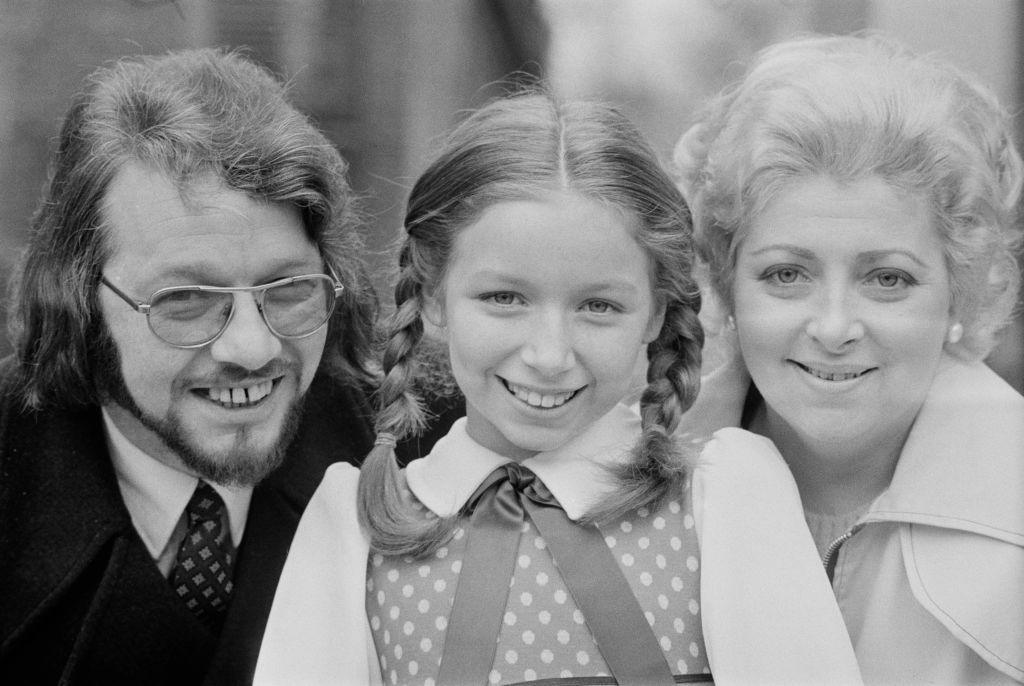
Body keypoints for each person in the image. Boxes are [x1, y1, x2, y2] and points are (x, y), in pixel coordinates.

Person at [254, 91, 862, 686]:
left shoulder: (722, 498)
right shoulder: (359, 525)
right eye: (504, 298)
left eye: (598, 306)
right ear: (434, 300)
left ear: (655, 314)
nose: (550, 355)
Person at [0, 48, 385, 686]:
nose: (253, 348)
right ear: (75, 301)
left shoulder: (423, 457)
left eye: (288, 288)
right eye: (185, 301)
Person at [674, 34, 1024, 685]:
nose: (834, 327)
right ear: (726, 284)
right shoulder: (620, 490)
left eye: (887, 279)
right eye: (786, 274)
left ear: (963, 289)